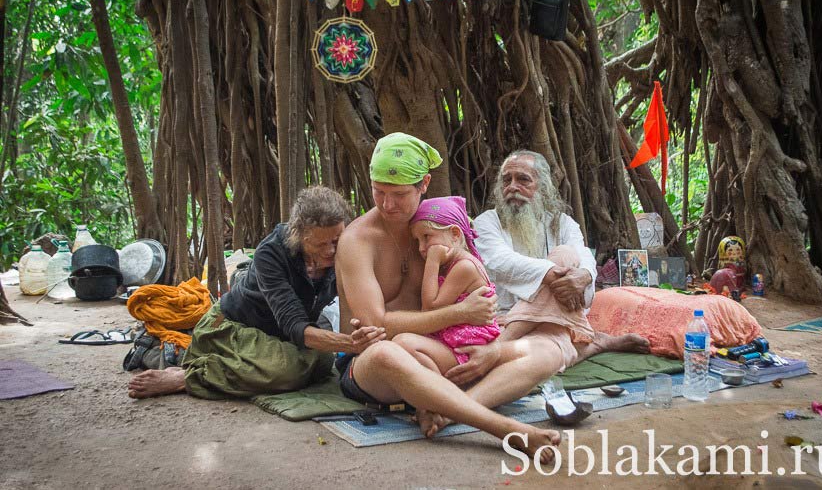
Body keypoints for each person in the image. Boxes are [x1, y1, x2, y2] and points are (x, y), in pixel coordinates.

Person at [335, 132, 562, 463]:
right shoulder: (357, 240)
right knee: (387, 352)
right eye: (378, 191)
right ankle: (503, 428)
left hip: (440, 351)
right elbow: (378, 327)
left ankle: (445, 410)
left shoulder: (441, 228)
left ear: (424, 184)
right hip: (372, 364)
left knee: (546, 351)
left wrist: (492, 348)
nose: (386, 204)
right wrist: (460, 314)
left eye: (398, 194)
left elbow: (479, 297)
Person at [128, 186, 385, 399]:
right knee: (290, 370)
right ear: (299, 236)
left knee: (321, 362)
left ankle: (241, 364)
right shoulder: (271, 253)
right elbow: (295, 326)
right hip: (228, 326)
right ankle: (188, 376)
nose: (332, 250)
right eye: (321, 243)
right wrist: (350, 343)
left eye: (337, 240)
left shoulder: (344, 252)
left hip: (278, 338)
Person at [473, 150, 649, 373]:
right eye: (506, 180)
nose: (512, 187)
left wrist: (583, 276)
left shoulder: (562, 223)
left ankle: (500, 349)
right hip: (503, 318)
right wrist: (553, 275)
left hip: (553, 320)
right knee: (545, 355)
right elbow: (500, 262)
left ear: (543, 187)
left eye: (523, 179)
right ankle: (595, 344)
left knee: (566, 252)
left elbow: (584, 257)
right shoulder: (487, 222)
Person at [396, 196, 501, 374]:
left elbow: (429, 309)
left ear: (455, 234)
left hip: (465, 351)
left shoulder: (465, 267)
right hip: (455, 344)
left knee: (404, 344)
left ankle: (441, 391)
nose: (422, 247)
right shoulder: (455, 265)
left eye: (427, 237)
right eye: (417, 241)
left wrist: (432, 261)